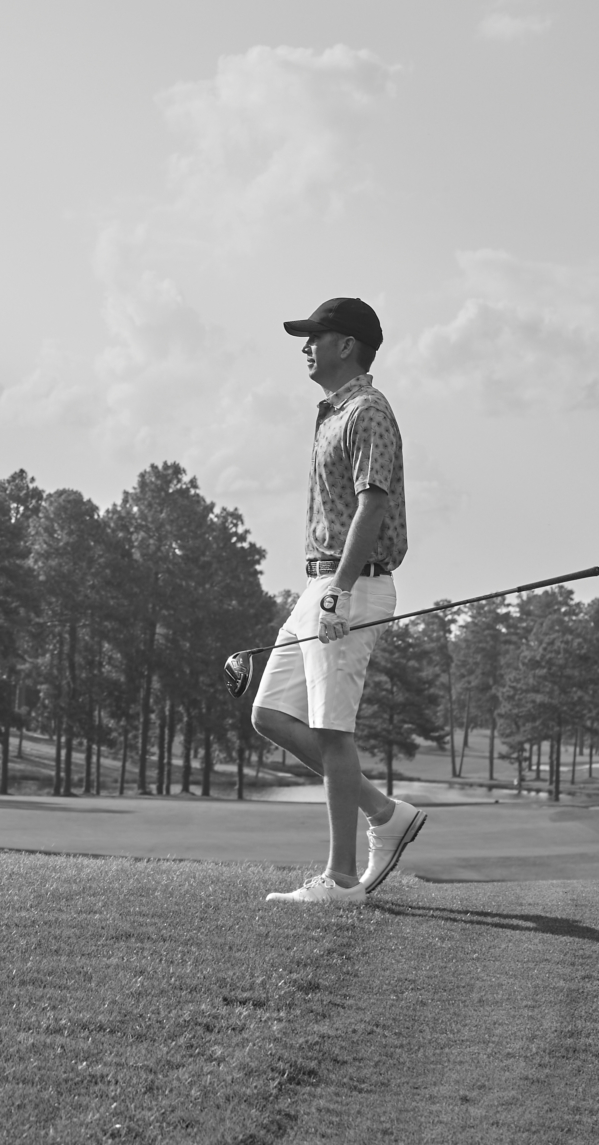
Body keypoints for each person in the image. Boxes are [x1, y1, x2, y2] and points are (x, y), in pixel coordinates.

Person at [252, 297, 425, 903]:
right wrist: (326, 591)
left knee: (331, 728)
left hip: (352, 584)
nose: (305, 346)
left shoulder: (369, 411)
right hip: (321, 584)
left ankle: (342, 877)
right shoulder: (332, 412)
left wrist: (342, 592)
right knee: (270, 714)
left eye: (315, 336)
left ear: (346, 345)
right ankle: (384, 812)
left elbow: (373, 504)